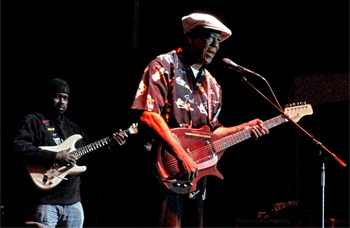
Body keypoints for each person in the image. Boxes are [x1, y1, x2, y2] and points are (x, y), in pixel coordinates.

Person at [131, 13, 270, 227]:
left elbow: (213, 132)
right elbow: (149, 115)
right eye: (209, 38)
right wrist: (181, 154)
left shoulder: (212, 85)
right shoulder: (163, 66)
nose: (215, 46)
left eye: (218, 41)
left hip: (195, 175)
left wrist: (244, 128)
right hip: (162, 169)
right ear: (189, 37)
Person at [12, 78, 128, 228]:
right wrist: (55, 156)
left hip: (73, 203)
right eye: (57, 96)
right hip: (45, 202)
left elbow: (91, 158)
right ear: (47, 97)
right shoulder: (33, 121)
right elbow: (18, 147)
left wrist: (110, 146)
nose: (61, 102)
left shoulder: (73, 128)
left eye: (65, 98)